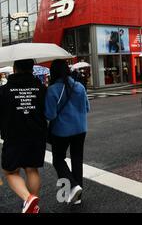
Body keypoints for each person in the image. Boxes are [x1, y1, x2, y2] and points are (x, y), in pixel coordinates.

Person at [0, 59, 47, 213]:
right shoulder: (41, 88)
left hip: (13, 135)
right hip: (36, 134)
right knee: (32, 169)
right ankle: (32, 205)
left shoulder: (4, 90)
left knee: (10, 171)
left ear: (14, 69)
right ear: (32, 69)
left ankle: (28, 199)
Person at [45, 60, 90, 206]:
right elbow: (87, 108)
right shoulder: (79, 86)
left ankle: (72, 186)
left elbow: (50, 115)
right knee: (77, 159)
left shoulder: (52, 90)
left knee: (58, 159)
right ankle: (78, 196)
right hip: (80, 128)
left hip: (61, 131)